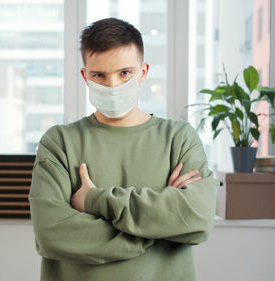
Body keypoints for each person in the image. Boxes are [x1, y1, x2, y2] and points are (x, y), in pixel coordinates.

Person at [28, 17, 218, 281]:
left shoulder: (179, 138)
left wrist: (94, 200)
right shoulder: (59, 143)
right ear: (85, 76)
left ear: (143, 72)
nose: (113, 85)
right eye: (99, 75)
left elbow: (197, 218)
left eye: (125, 73)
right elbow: (51, 233)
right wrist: (155, 228)